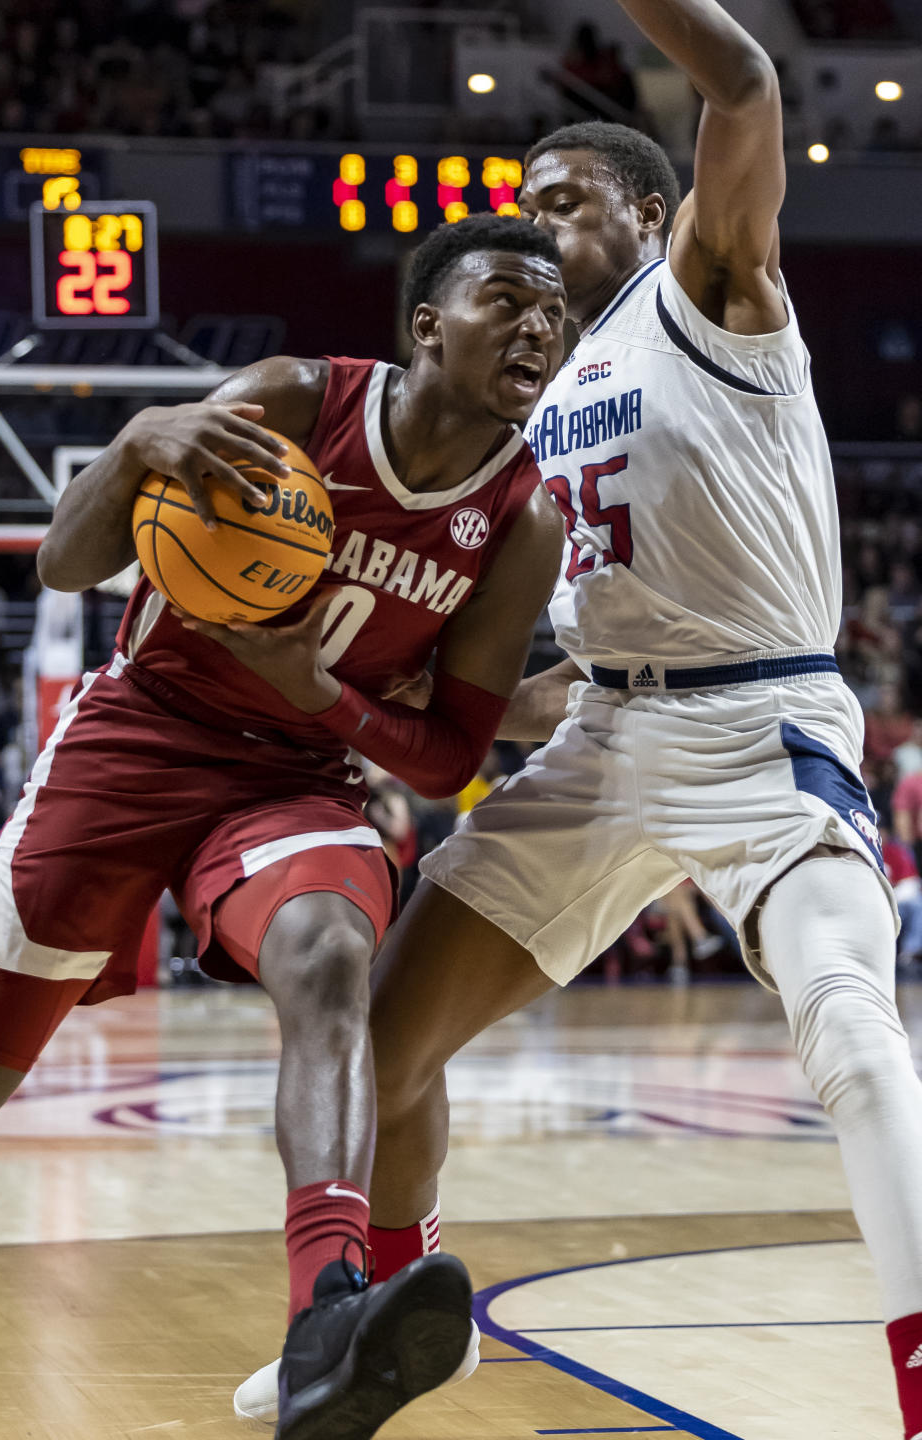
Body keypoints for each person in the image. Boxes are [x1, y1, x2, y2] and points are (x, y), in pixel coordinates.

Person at [239, 2, 922, 1435]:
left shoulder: (712, 291)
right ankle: (399, 1321)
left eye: (565, 203)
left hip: (760, 728)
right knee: (383, 1040)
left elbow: (736, 79)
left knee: (855, 1035)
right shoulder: (534, 404)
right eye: (522, 210)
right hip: (604, 742)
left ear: (654, 211)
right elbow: (533, 666)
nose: (538, 229)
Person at [0, 214, 567, 1440]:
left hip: (294, 773)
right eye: (506, 298)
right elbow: (66, 568)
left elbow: (452, 754)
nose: (539, 325)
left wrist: (324, 699)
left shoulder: (523, 520)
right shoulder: (294, 400)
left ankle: (326, 1315)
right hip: (135, 743)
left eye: (554, 311)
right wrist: (137, 448)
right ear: (426, 327)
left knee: (332, 959)